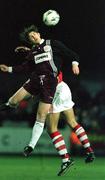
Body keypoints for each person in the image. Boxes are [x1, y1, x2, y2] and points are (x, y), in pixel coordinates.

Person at [0, 24, 80, 175]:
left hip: (50, 83)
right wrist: (9, 69)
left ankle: (30, 146)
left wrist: (75, 64)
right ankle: (8, 105)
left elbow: (72, 54)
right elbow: (25, 67)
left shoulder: (52, 44)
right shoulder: (34, 52)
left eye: (33, 35)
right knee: (13, 101)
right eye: (30, 37)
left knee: (41, 115)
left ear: (37, 33)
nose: (33, 37)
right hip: (36, 79)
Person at [23, 72, 95, 176]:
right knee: (73, 122)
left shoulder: (40, 63)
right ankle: (89, 151)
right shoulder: (53, 58)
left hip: (55, 91)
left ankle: (66, 160)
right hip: (64, 87)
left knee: (52, 129)